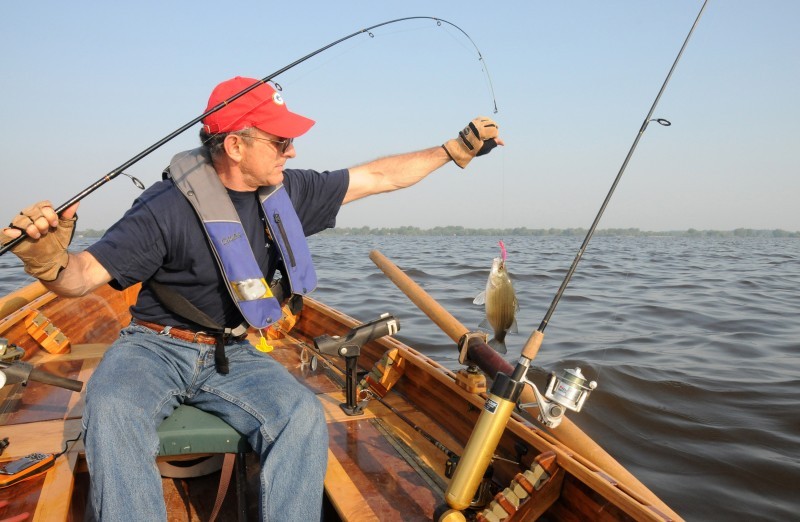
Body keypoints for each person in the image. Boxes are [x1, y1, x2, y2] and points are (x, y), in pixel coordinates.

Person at [0, 76, 502, 521]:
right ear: (235, 145)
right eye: (281, 140)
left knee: (301, 416)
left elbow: (379, 176)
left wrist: (454, 149)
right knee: (110, 409)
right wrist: (48, 261)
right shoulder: (162, 208)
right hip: (154, 346)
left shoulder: (289, 191)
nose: (293, 151)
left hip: (236, 351)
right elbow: (82, 276)